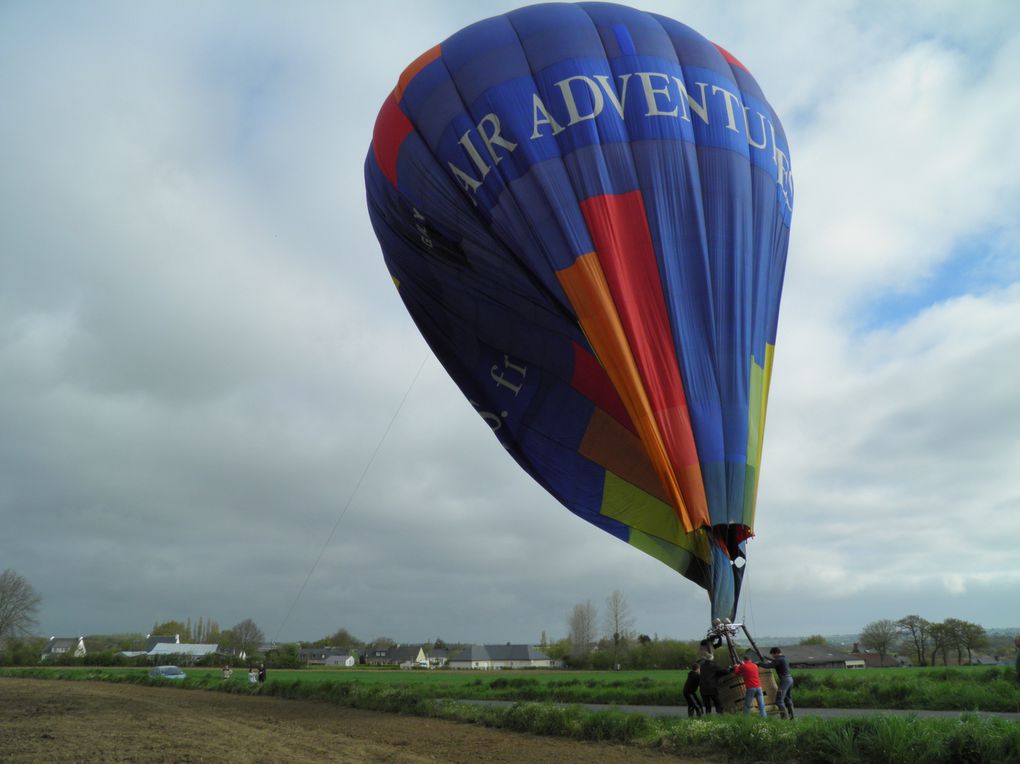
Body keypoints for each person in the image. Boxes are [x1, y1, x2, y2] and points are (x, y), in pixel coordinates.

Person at [762, 647, 794, 719]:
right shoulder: (784, 658)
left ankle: (784, 718)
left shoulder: (778, 659)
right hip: (790, 679)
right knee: (788, 699)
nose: (773, 656)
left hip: (785, 681)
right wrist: (772, 662)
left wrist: (759, 663)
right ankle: (792, 717)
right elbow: (776, 664)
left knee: (779, 701)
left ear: (776, 653)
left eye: (773, 655)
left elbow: (768, 666)